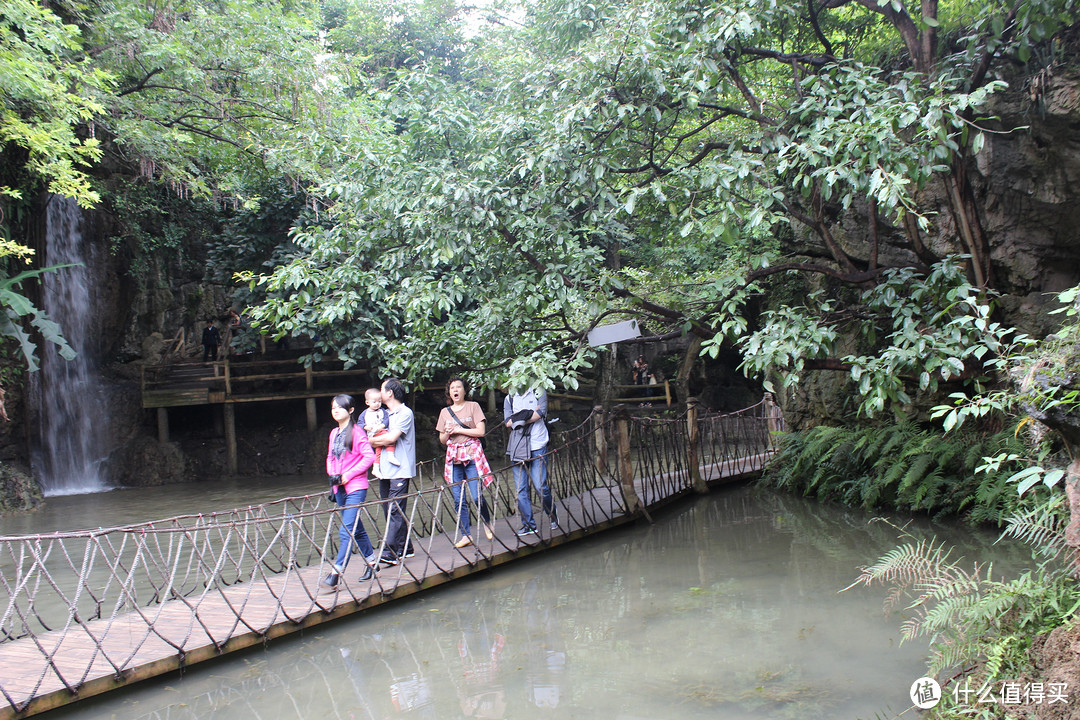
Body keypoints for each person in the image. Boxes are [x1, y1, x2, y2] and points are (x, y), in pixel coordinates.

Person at [322, 393, 377, 589]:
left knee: (346, 529)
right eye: (333, 407)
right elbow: (330, 457)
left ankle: (336, 572)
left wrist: (348, 474)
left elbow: (368, 457)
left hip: (355, 487)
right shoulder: (333, 433)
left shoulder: (357, 432)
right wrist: (334, 474)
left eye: (340, 407)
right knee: (355, 526)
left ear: (351, 410)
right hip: (339, 488)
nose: (335, 410)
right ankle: (372, 562)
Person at [436, 377, 494, 548]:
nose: (455, 390)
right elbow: (442, 439)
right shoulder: (445, 412)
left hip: (471, 454)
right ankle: (465, 534)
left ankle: (487, 522)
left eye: (458, 387)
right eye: (452, 387)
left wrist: (458, 429)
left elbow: (481, 431)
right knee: (458, 498)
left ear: (464, 390)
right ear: (449, 392)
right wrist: (447, 432)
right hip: (454, 457)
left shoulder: (473, 406)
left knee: (476, 495)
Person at [369, 378, 416, 564]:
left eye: (382, 389)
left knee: (395, 509)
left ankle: (390, 553)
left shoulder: (405, 412)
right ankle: (406, 547)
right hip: (384, 470)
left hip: (400, 469)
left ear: (390, 393)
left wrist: (371, 441)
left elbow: (391, 438)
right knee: (389, 509)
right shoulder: (384, 414)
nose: (379, 392)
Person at [504, 388, 558, 536]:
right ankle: (528, 525)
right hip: (518, 447)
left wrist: (519, 419)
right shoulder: (509, 397)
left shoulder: (538, 391)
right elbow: (508, 422)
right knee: (521, 489)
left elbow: (541, 413)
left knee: (540, 486)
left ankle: (552, 511)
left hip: (538, 444)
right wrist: (529, 414)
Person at [361, 387, 399, 478]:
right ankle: (389, 456)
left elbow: (386, 420)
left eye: (379, 401)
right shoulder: (365, 413)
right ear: (367, 402)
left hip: (381, 430)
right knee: (387, 440)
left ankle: (376, 467)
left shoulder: (383, 411)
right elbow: (360, 423)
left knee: (379, 450)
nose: (377, 404)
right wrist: (366, 427)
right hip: (372, 434)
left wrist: (382, 426)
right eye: (374, 402)